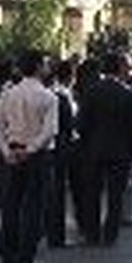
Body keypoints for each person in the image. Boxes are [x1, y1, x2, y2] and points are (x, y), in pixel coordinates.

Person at [0, 50, 57, 263]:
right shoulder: (48, 97)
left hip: (11, 151)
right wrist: (31, 150)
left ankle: (7, 253)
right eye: (45, 64)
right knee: (34, 206)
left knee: (10, 205)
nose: (47, 67)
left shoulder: (8, 94)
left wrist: (5, 149)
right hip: (37, 156)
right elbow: (49, 131)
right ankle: (26, 255)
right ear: (38, 67)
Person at [78, 52, 132, 247]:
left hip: (93, 149)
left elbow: (82, 123)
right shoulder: (127, 94)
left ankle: (92, 233)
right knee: (115, 195)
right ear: (119, 68)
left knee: (92, 193)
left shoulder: (91, 91)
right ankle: (110, 233)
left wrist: (86, 143)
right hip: (120, 151)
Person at [46, 60, 79, 248]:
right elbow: (68, 124)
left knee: (54, 191)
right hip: (61, 148)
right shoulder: (62, 96)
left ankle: (51, 231)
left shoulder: (54, 93)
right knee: (57, 193)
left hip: (53, 147)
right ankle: (56, 235)